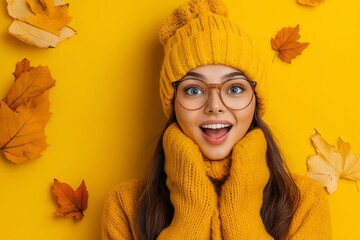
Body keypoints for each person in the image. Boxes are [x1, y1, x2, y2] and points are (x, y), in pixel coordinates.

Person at [102, 0, 331, 239]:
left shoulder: (303, 203)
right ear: (172, 104)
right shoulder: (124, 206)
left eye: (234, 89)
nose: (215, 106)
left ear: (256, 101)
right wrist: (192, 211)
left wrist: (241, 209)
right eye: (193, 90)